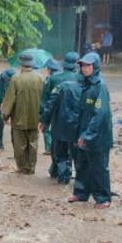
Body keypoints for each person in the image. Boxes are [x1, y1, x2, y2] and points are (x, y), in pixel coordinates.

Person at [69, 52, 113, 208]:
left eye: (87, 65)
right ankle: (81, 193)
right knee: (82, 165)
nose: (84, 68)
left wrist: (88, 134)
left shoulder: (100, 85)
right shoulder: (87, 84)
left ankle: (103, 198)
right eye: (82, 65)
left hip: (98, 136)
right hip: (84, 133)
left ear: (95, 66)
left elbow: (100, 114)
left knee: (99, 167)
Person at [40, 55, 83, 185]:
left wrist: (43, 120)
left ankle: (60, 175)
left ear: (63, 65)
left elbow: (47, 102)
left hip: (59, 123)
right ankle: (77, 180)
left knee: (59, 151)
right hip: (77, 125)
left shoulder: (54, 79)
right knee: (75, 153)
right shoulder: (83, 81)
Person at [0, 52, 43, 174]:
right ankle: (31, 168)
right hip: (35, 118)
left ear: (21, 64)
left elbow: (10, 100)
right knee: (33, 144)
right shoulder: (40, 78)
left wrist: (5, 115)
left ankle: (23, 167)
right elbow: (44, 99)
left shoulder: (16, 79)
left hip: (19, 118)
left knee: (20, 145)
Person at [39, 58, 59, 154]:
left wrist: (42, 110)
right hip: (60, 108)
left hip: (50, 106)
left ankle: (48, 148)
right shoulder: (61, 77)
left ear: (50, 69)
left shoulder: (50, 79)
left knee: (46, 127)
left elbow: (45, 96)